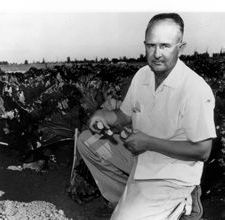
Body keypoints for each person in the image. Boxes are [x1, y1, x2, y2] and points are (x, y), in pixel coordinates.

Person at [77, 13, 216, 220]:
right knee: (87, 141)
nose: (157, 53)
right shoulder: (143, 75)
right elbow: (122, 116)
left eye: (165, 46)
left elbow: (203, 151)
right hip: (140, 158)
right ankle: (129, 200)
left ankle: (181, 203)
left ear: (181, 47)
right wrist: (102, 117)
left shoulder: (194, 89)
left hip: (172, 174)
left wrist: (149, 143)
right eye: (151, 45)